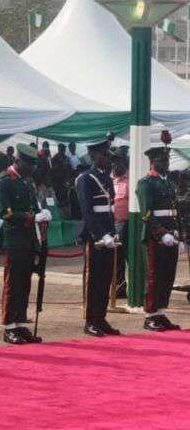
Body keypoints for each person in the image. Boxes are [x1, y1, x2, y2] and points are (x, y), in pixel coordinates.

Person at [0, 144, 52, 345]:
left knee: (25, 283)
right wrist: (32, 216)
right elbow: (6, 213)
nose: (32, 169)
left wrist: (41, 214)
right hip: (14, 238)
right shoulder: (3, 182)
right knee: (13, 283)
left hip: (29, 239)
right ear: (18, 161)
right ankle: (9, 326)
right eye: (29, 165)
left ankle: (20, 322)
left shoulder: (27, 182)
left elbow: (33, 206)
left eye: (33, 166)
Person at [75, 138, 121, 338]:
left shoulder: (107, 178)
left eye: (108, 155)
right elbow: (88, 212)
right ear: (94, 155)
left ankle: (100, 318)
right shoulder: (85, 178)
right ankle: (90, 320)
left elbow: (109, 210)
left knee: (105, 278)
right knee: (93, 279)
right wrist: (101, 234)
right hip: (95, 237)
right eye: (104, 154)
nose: (107, 159)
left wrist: (113, 232)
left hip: (109, 234)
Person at [137, 146, 181, 332]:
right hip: (156, 236)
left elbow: (174, 210)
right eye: (162, 161)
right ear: (152, 162)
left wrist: (178, 232)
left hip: (171, 233)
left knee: (168, 274)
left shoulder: (168, 183)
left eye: (167, 160)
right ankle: (150, 315)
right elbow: (146, 213)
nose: (166, 163)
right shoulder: (146, 182)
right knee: (155, 275)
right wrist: (162, 233)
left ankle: (161, 312)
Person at [112, 154, 130, 299]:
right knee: (116, 258)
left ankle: (139, 286)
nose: (117, 167)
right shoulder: (108, 181)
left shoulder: (129, 181)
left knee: (128, 256)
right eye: (115, 164)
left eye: (120, 164)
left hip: (126, 223)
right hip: (111, 224)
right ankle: (119, 287)